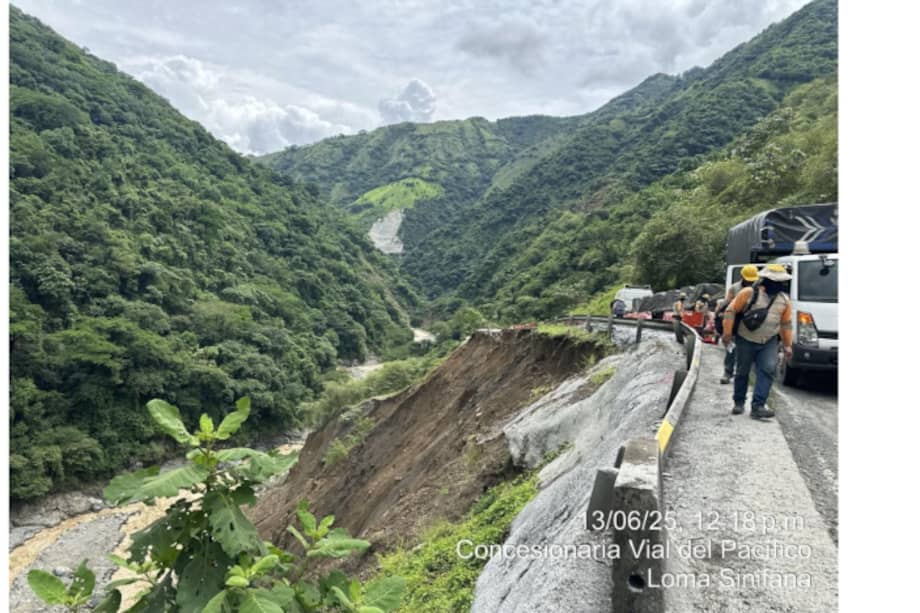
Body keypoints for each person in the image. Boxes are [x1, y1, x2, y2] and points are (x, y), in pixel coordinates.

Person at [721, 264, 793, 419]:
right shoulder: (748, 293)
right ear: (765, 280)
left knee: (768, 369)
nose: (778, 285)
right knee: (742, 371)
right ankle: (739, 402)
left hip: (769, 341)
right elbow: (730, 310)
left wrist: (787, 345)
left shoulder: (784, 301)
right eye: (775, 281)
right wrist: (727, 333)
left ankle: (758, 406)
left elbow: (786, 324)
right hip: (745, 338)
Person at [716, 264, 759, 384]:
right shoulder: (734, 288)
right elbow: (727, 303)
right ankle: (728, 372)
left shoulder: (759, 289)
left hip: (750, 323)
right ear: (742, 277)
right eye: (748, 280)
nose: (750, 282)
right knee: (732, 349)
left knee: (747, 352)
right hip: (735, 322)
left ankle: (743, 375)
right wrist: (721, 313)